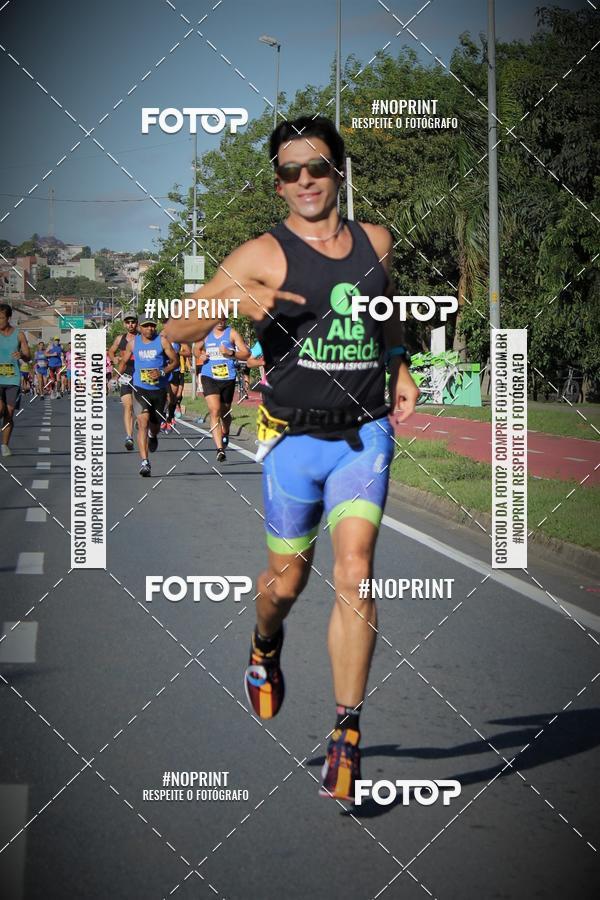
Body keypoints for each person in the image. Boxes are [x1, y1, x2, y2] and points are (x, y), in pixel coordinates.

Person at [164, 116, 418, 801]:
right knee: (285, 587)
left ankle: (346, 730)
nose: (304, 181)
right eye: (289, 172)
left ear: (340, 170)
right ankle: (264, 642)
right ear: (277, 183)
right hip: (290, 441)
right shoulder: (259, 255)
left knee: (357, 574)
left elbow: (385, 311)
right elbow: (174, 325)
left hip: (364, 435)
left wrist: (398, 362)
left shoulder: (377, 242)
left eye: (317, 167)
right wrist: (233, 302)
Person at [117, 315, 178, 477]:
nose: (150, 328)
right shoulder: (133, 343)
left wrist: (162, 372)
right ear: (140, 328)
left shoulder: (162, 341)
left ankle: (153, 435)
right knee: (142, 422)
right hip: (140, 388)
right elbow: (123, 362)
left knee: (154, 425)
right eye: (146, 326)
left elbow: (175, 361)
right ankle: (145, 462)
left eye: (152, 326)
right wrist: (114, 377)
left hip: (158, 390)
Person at [196, 318, 250, 461]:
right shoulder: (206, 333)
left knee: (225, 412)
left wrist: (231, 353)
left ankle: (225, 433)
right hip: (209, 376)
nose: (220, 320)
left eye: (223, 317)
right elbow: (196, 348)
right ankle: (220, 449)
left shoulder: (232, 333)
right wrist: (199, 355)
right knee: (215, 411)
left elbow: (246, 353)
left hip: (228, 378)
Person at [0, 304, 31, 457]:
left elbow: (28, 356)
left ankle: (4, 445)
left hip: (12, 379)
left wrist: (21, 355)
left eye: (1, 318)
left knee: (9, 413)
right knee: (0, 409)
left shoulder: (19, 335)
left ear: (8, 318)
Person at [108, 313, 138, 450]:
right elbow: (111, 351)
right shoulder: (120, 338)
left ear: (137, 323)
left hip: (140, 372)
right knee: (128, 406)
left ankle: (142, 422)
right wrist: (113, 359)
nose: (130, 325)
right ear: (124, 324)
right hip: (125, 372)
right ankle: (129, 436)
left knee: (141, 405)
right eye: (128, 322)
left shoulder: (142, 337)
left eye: (133, 322)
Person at [161, 339, 191, 433]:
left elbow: (188, 352)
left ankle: (170, 418)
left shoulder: (179, 338)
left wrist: (178, 352)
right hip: (164, 370)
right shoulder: (161, 337)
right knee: (165, 396)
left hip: (176, 370)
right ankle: (163, 417)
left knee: (173, 397)